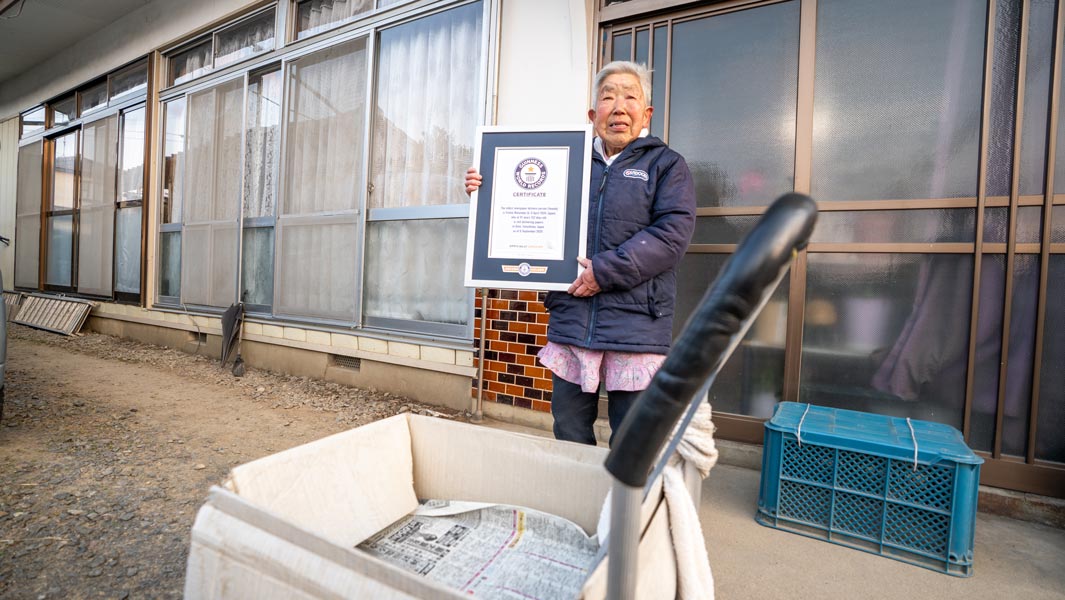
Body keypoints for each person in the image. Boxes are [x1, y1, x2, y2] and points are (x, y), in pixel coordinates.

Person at [465, 61, 696, 445]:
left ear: (646, 114)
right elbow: (524, 200)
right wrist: (488, 188)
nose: (618, 107)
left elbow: (671, 236)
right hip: (571, 318)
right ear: (593, 114)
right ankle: (578, 504)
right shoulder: (565, 164)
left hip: (636, 325)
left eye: (630, 96)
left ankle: (623, 508)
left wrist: (602, 272)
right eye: (607, 97)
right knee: (569, 430)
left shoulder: (667, 166)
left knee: (633, 441)